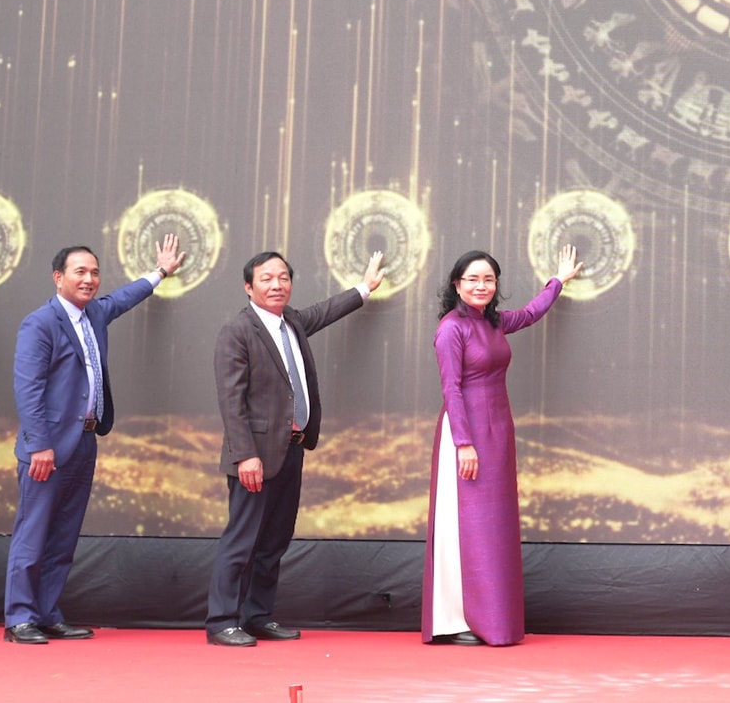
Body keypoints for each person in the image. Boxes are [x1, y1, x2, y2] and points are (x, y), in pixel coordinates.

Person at [2, 235, 186, 644]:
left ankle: (48, 613)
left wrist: (159, 272)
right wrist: (39, 445)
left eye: (94, 272)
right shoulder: (40, 323)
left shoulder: (95, 314)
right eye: (80, 272)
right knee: (33, 535)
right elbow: (28, 389)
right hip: (47, 450)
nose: (89, 279)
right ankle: (19, 619)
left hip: (85, 443)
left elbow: (124, 297)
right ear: (58, 277)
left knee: (64, 537)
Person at [205, 248, 385, 647]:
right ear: (248, 287)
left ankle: (257, 616)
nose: (277, 284)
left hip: (293, 448)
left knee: (274, 541)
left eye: (283, 277)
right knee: (243, 540)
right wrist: (244, 454)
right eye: (267, 278)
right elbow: (231, 401)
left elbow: (326, 310)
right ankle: (221, 622)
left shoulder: (294, 322)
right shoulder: (238, 331)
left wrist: (365, 287)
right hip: (254, 456)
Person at [423, 245, 584, 647]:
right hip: (466, 436)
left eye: (489, 279)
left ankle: (492, 618)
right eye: (473, 279)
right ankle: (453, 620)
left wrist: (558, 281)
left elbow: (530, 313)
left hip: (497, 433)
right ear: (457, 285)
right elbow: (451, 389)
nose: (481, 286)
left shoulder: (492, 322)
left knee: (492, 528)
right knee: (464, 526)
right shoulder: (451, 329)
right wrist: (463, 443)